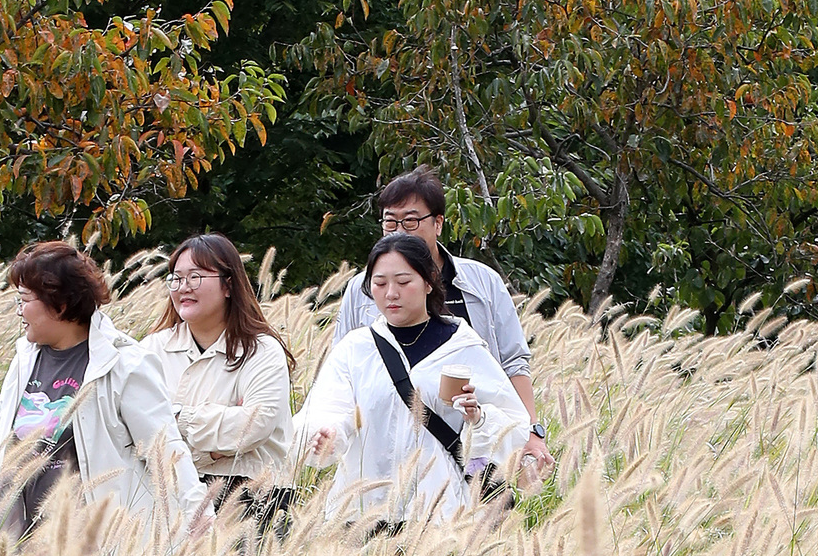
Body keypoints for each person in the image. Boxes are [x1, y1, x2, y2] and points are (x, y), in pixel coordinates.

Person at [0, 241, 211, 549]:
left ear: (58, 304)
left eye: (24, 299)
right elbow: (2, 441)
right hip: (16, 546)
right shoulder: (24, 360)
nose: (18, 311)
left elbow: (166, 452)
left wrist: (201, 528)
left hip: (90, 553)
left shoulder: (123, 365)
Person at [296, 233, 529, 530]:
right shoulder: (356, 349)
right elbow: (330, 409)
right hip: (362, 512)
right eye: (379, 284)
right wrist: (327, 435)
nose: (391, 293)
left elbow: (513, 424)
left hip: (440, 516)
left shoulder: (463, 346)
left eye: (403, 282)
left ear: (429, 282)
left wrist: (478, 418)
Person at [333, 166, 552, 480]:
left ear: (438, 223)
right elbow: (342, 371)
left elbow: (514, 363)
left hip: (476, 441)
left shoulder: (483, 283)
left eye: (410, 221)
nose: (399, 232)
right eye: (390, 222)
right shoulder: (362, 288)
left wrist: (529, 432)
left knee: (481, 517)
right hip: (388, 450)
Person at [142, 234, 295, 524]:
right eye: (176, 278)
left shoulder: (261, 351)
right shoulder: (152, 350)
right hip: (172, 496)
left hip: (253, 498)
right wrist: (213, 448)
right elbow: (137, 430)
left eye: (196, 277)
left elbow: (254, 426)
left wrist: (178, 420)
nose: (183, 287)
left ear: (228, 284)